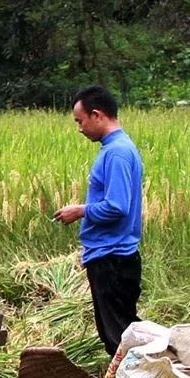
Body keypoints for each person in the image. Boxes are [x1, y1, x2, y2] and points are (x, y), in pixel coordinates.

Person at [54, 85, 143, 356]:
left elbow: (117, 207)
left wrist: (80, 211)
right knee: (118, 332)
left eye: (80, 121)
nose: (79, 128)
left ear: (97, 114)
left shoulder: (116, 153)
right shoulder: (117, 148)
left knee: (118, 339)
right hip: (110, 256)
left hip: (112, 258)